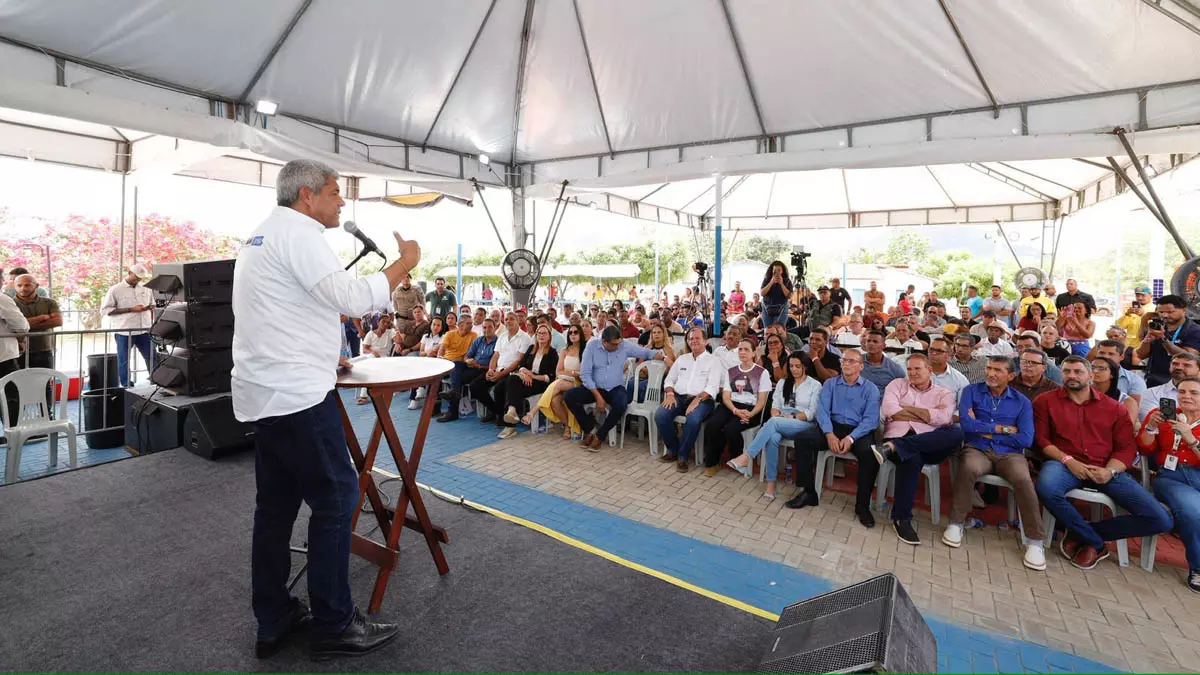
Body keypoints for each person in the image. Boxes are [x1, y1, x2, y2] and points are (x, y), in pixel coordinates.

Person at [231, 159, 421, 659]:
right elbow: (355, 298)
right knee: (336, 497)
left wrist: (319, 350)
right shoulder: (300, 234)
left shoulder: (262, 236)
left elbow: (280, 311)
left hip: (264, 393)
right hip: (295, 396)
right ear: (307, 196)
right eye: (335, 193)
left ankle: (273, 616)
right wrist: (405, 263)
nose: (341, 202)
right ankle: (335, 623)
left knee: (274, 509)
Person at [1035, 357, 1172, 570]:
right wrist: (1068, 461)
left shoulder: (1114, 408)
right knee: (1046, 487)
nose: (1071, 375)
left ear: (1091, 376)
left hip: (1107, 467)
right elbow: (1042, 440)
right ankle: (1096, 543)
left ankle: (1084, 532)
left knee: (1160, 520)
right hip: (1064, 463)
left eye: (1078, 371)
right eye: (1067, 371)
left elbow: (1127, 447)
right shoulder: (1045, 401)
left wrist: (1109, 471)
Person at [944, 356, 1047, 571]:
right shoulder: (971, 391)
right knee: (969, 468)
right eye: (989, 368)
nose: (991, 373)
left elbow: (1026, 438)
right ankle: (956, 523)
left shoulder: (1022, 402)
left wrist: (984, 430)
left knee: (1023, 479)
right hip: (977, 448)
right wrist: (1004, 429)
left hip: (1011, 453)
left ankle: (1035, 540)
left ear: (1010, 376)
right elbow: (966, 424)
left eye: (998, 370)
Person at [874, 354, 965, 545]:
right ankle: (901, 518)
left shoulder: (944, 393)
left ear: (929, 371)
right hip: (899, 433)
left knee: (957, 433)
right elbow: (890, 409)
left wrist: (907, 409)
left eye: (918, 369)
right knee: (912, 459)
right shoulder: (897, 384)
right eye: (909, 369)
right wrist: (927, 415)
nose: (912, 373)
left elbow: (944, 419)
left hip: (930, 441)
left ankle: (892, 448)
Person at [787, 349, 881, 527]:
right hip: (833, 426)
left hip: (858, 431)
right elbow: (823, 411)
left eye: (852, 361)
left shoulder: (870, 389)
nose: (846, 363)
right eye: (844, 360)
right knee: (803, 439)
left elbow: (871, 420)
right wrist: (829, 434)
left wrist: (851, 438)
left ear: (861, 366)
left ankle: (862, 506)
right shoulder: (830, 384)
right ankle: (808, 492)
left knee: (870, 454)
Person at [729, 352, 821, 500]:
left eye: (798, 366)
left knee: (773, 422)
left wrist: (790, 417)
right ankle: (771, 484)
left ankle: (747, 456)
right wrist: (777, 414)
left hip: (803, 423)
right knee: (772, 438)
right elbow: (775, 406)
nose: (794, 369)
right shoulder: (783, 383)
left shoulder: (815, 385)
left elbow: (812, 413)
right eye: (791, 366)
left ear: (805, 366)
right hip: (781, 420)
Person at [1138, 377, 1200, 592]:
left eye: (1194, 393)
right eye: (1182, 392)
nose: (1187, 397)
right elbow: (1145, 450)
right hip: (1170, 477)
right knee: (1193, 511)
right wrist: (1151, 428)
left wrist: (1190, 438)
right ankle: (1198, 568)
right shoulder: (1161, 416)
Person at [566, 325, 662, 451]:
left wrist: (661, 356)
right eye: (613, 344)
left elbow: (644, 352)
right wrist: (598, 397)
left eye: (618, 343)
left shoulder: (623, 345)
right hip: (594, 387)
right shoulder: (592, 346)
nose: (617, 346)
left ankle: (600, 435)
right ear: (604, 341)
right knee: (569, 396)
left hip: (615, 388)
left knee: (622, 403)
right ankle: (590, 429)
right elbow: (585, 374)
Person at [701, 339, 771, 478]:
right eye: (740, 349)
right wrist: (735, 410)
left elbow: (762, 401)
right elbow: (726, 397)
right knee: (712, 424)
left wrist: (750, 414)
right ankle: (712, 463)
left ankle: (738, 459)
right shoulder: (731, 371)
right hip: (731, 406)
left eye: (746, 349)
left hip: (751, 409)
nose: (742, 352)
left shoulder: (762, 373)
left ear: (753, 353)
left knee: (731, 429)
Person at [656, 327, 722, 472]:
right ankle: (673, 450)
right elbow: (669, 380)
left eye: (697, 338)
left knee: (693, 419)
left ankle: (683, 456)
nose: (694, 341)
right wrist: (670, 394)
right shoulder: (682, 359)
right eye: (691, 338)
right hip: (678, 397)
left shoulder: (713, 361)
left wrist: (697, 400)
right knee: (661, 415)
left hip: (703, 400)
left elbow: (712, 387)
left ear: (705, 341)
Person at [495, 325, 558, 439]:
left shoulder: (552, 353)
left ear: (549, 336)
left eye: (544, 333)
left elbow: (551, 377)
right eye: (539, 333)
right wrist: (524, 373)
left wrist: (533, 376)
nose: (541, 336)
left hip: (541, 384)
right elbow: (521, 365)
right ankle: (512, 411)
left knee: (513, 388)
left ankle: (510, 425)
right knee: (512, 381)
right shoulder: (531, 348)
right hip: (527, 380)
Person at [470, 313, 532, 426]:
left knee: (499, 388)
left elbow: (518, 361)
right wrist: (490, 370)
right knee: (475, 386)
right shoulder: (502, 336)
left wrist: (501, 374)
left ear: (518, 321)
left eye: (512, 319)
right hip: (498, 369)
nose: (508, 321)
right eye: (506, 319)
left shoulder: (524, 338)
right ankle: (496, 411)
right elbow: (495, 356)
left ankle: (501, 416)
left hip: (513, 372)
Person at [99, 264, 156, 387]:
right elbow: (106, 310)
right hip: (124, 331)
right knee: (124, 360)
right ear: (130, 272)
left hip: (144, 329)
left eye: (140, 278)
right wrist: (131, 309)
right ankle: (126, 384)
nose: (138, 280)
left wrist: (149, 307)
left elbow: (152, 304)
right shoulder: (115, 289)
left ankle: (156, 380)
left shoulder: (146, 289)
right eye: (136, 277)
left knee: (152, 357)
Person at [527, 324, 585, 440]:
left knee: (559, 383)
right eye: (570, 333)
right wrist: (571, 372)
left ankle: (534, 411)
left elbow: (583, 374)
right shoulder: (565, 350)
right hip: (563, 380)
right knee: (554, 400)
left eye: (575, 332)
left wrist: (570, 373)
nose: (573, 335)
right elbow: (558, 371)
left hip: (578, 382)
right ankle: (568, 426)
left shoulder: (585, 350)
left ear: (580, 334)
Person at [1137, 294, 1200, 387]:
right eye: (1161, 312)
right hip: (1154, 380)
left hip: (1183, 382)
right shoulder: (1158, 326)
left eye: (1170, 312)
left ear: (1184, 310)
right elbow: (1142, 355)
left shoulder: (1195, 330)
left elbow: (1188, 357)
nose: (1165, 315)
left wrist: (1163, 339)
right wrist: (1146, 334)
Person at [435, 314, 487, 423]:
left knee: (457, 366)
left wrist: (467, 360)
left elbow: (472, 353)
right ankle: (450, 404)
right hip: (447, 363)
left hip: (462, 364)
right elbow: (442, 349)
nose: (471, 325)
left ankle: (453, 406)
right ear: (460, 324)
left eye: (471, 323)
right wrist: (440, 357)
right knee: (453, 370)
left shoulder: (473, 335)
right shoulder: (450, 334)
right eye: (468, 323)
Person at [12, 273, 61, 371]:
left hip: (44, 349)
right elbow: (11, 325)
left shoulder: (49, 303)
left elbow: (57, 321)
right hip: (17, 350)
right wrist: (42, 318)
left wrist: (23, 326)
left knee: (45, 382)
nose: (23, 288)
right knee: (18, 383)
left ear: (36, 286)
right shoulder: (10, 304)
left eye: (27, 285)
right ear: (14, 286)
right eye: (19, 285)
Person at [0, 292, 29, 424]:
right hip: (3, 357)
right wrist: (21, 339)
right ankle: (13, 436)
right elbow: (21, 326)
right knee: (11, 398)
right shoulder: (2, 299)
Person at [1091, 356, 1139, 427]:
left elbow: (1126, 430)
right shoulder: (1080, 395)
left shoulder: (1126, 402)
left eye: (1101, 368)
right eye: (1092, 368)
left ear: (1112, 374)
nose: (1095, 371)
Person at [409, 316, 445, 410]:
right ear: (430, 325)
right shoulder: (425, 336)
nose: (435, 327)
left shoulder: (444, 337)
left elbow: (438, 351)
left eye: (438, 325)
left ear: (441, 327)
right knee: (416, 371)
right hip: (425, 360)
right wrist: (428, 352)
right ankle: (414, 398)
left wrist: (429, 352)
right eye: (434, 324)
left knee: (424, 369)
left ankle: (421, 389)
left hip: (437, 362)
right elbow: (421, 352)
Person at [859, 329, 905, 393]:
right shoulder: (856, 361)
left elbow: (901, 391)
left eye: (875, 341)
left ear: (884, 346)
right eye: (868, 341)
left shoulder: (895, 368)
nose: (871, 344)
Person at [927, 336, 969, 404]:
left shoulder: (960, 380)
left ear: (950, 356)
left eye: (939, 351)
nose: (933, 353)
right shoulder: (915, 373)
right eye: (931, 350)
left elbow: (963, 407)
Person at [759, 261, 794, 329]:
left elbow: (789, 296)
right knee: (768, 329)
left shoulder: (787, 281)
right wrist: (771, 282)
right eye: (775, 270)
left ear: (782, 271)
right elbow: (762, 293)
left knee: (778, 329)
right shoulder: (767, 279)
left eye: (779, 270)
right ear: (772, 271)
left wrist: (781, 284)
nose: (777, 272)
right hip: (767, 308)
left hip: (781, 309)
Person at [390, 273, 425, 337]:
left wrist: (422, 314)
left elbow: (422, 302)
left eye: (407, 277)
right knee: (400, 337)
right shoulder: (396, 291)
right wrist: (397, 312)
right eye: (403, 277)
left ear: (410, 279)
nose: (406, 279)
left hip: (413, 319)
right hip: (401, 320)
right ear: (400, 280)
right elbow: (394, 304)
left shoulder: (416, 289)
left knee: (413, 337)